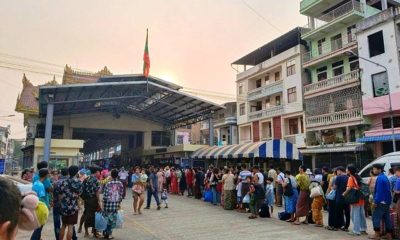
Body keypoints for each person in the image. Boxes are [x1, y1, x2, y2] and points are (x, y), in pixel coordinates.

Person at [369, 164, 393, 240]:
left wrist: (375, 202)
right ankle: (389, 235)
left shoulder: (380, 178)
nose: (373, 170)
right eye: (373, 169)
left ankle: (377, 234)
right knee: (387, 218)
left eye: (375, 169)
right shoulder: (385, 177)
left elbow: (379, 192)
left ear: (379, 170)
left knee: (375, 218)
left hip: (380, 201)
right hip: (387, 201)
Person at [53, 168, 78, 240]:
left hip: (57, 205)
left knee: (58, 224)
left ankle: (58, 238)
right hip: (69, 205)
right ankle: (74, 238)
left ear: (60, 173)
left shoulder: (56, 183)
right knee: (70, 224)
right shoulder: (71, 182)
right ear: (68, 173)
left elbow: (54, 194)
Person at [59, 166, 83, 240]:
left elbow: (60, 194)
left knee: (63, 225)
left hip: (64, 206)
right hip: (73, 207)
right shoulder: (79, 182)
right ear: (76, 172)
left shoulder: (64, 181)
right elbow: (79, 194)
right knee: (70, 226)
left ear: (69, 172)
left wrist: (62, 203)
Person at [31, 161, 52, 240]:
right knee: (39, 225)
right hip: (42, 205)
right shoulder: (44, 181)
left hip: (35, 203)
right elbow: (48, 190)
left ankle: (38, 237)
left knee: (37, 224)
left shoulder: (35, 178)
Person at [343, 165, 367, 236]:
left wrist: (344, 194)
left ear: (349, 171)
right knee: (361, 214)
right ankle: (363, 229)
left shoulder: (351, 178)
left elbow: (349, 188)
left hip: (355, 198)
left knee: (354, 214)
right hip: (361, 197)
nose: (346, 170)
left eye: (347, 169)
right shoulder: (358, 176)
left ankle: (356, 231)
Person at [102, 169, 124, 239]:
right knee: (112, 220)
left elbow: (105, 195)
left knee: (106, 218)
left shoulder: (108, 184)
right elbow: (121, 195)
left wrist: (103, 204)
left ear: (111, 175)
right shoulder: (120, 184)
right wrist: (119, 203)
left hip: (107, 205)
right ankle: (109, 233)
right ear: (117, 175)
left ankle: (106, 232)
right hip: (115, 205)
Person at [81, 166, 101, 238]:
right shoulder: (96, 180)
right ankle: (95, 232)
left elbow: (82, 189)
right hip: (93, 199)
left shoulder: (86, 178)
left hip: (87, 199)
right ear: (96, 172)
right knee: (94, 216)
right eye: (99, 172)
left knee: (87, 215)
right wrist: (99, 201)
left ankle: (86, 232)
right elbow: (97, 192)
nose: (99, 173)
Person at [332, 166, 350, 232]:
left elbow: (334, 187)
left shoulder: (338, 177)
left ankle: (336, 226)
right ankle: (346, 227)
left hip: (339, 197)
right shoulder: (348, 177)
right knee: (347, 213)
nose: (337, 172)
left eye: (337, 171)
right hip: (347, 198)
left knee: (338, 212)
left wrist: (332, 186)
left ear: (339, 170)